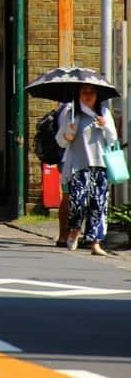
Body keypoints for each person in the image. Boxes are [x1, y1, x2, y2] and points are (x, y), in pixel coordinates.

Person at [56, 82, 118, 255]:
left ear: (97, 95)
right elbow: (60, 140)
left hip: (100, 165)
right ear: (79, 94)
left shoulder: (103, 113)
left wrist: (104, 125)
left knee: (98, 205)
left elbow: (112, 139)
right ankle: (75, 230)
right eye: (84, 92)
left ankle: (95, 243)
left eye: (92, 92)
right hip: (78, 165)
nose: (88, 95)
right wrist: (69, 133)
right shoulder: (72, 113)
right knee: (78, 203)